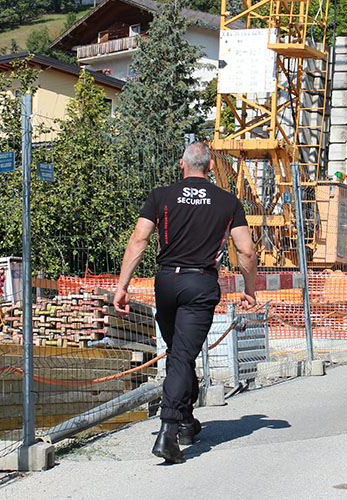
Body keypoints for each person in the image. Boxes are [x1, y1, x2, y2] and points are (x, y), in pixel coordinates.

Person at [113, 141, 257, 464]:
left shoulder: (160, 196)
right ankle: (169, 429)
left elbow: (139, 239)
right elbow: (246, 251)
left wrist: (122, 286)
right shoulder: (227, 202)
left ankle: (187, 422)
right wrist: (250, 289)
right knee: (181, 355)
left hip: (165, 282)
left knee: (179, 352)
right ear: (209, 168)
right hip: (200, 283)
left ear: (182, 165)